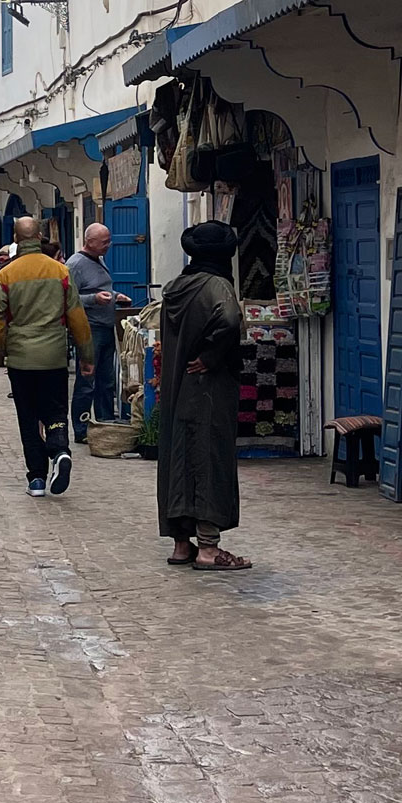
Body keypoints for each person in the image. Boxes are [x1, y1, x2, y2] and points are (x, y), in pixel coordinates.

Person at [157, 222, 250, 571]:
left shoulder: (178, 286)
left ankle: (183, 544)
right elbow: (229, 317)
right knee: (208, 457)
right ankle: (209, 548)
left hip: (177, 388)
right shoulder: (217, 286)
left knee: (179, 458)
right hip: (208, 388)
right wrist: (211, 356)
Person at [0, 217, 92, 498]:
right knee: (56, 409)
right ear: (40, 236)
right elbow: (78, 318)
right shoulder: (60, 272)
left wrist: (7, 345)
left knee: (28, 416)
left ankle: (36, 479)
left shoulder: (5, 275)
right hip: (54, 356)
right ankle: (59, 449)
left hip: (21, 359)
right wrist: (86, 354)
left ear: (15, 238)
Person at [66, 223, 132, 440]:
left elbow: (100, 288)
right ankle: (81, 428)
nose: (108, 245)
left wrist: (115, 296)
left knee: (106, 380)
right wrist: (93, 299)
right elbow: (67, 298)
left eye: (109, 240)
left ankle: (105, 423)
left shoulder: (99, 259)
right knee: (87, 380)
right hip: (89, 329)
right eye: (104, 242)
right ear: (89, 242)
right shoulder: (75, 264)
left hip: (105, 326)